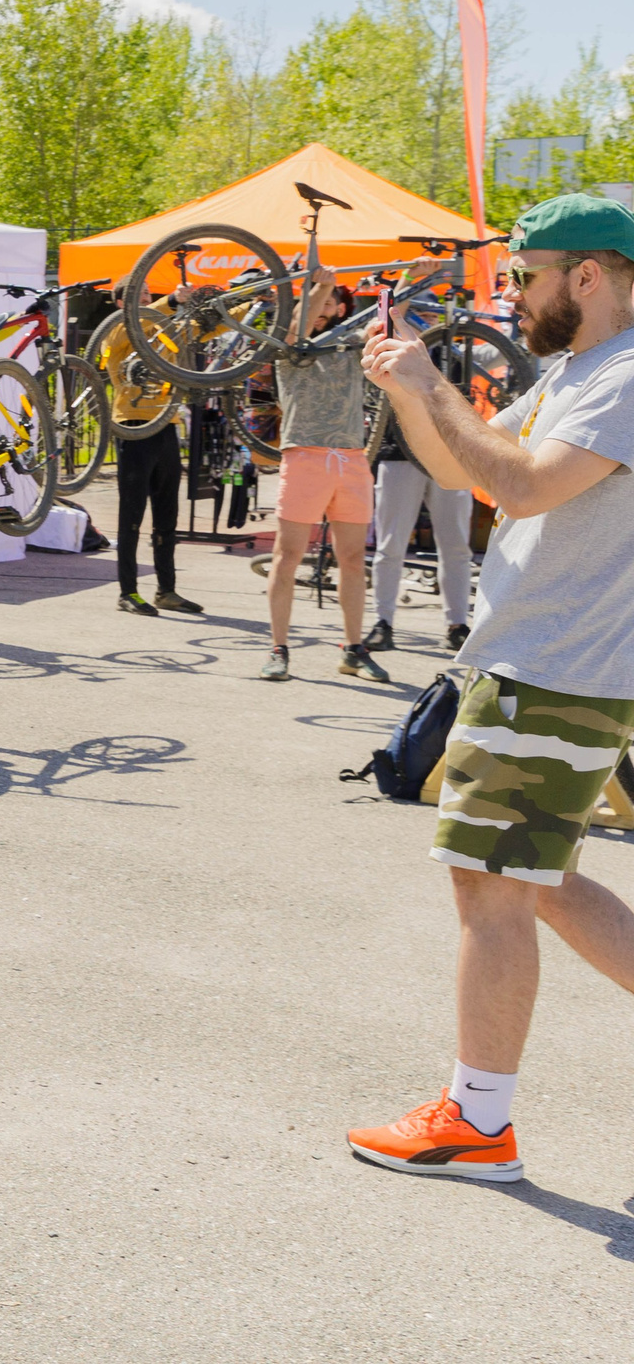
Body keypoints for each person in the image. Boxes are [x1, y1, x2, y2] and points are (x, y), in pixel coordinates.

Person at [346, 194, 634, 1184]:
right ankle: (478, 1120)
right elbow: (470, 469)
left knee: (491, 891)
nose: (509, 294)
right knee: (534, 881)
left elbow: (520, 486)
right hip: (546, 666)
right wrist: (408, 392)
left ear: (584, 276)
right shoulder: (577, 371)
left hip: (555, 671)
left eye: (522, 274)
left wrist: (437, 382)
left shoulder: (622, 377)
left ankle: (476, 1123)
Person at [263, 269, 389, 683]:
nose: (323, 311)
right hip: (305, 457)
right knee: (288, 558)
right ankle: (278, 649)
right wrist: (322, 286)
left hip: (351, 459)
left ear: (341, 310)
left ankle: (353, 649)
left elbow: (388, 316)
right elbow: (301, 321)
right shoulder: (292, 348)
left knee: (353, 560)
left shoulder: (351, 344)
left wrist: (411, 277)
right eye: (319, 303)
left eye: (332, 304)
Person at [96, 281, 203, 618]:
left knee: (167, 516)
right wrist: (169, 301)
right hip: (133, 425)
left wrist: (246, 303)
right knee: (131, 517)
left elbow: (201, 330)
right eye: (139, 298)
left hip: (166, 425)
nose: (146, 302)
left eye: (148, 296)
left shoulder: (162, 330)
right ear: (119, 303)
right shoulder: (115, 329)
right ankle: (127, 592)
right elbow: (133, 322)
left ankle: (166, 590)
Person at [365, 338, 478, 654]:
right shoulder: (390, 343)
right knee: (390, 545)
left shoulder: (455, 345)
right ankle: (382, 622)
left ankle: (458, 624)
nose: (426, 316)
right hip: (399, 454)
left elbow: (493, 351)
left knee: (456, 547)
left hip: (451, 455)